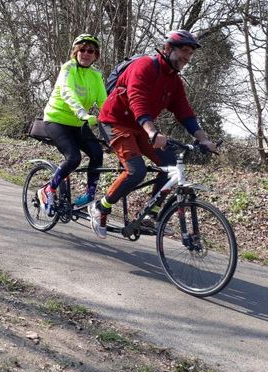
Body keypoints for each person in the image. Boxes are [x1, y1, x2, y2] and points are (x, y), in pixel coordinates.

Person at [88, 29, 218, 239]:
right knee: (136, 171)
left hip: (141, 127)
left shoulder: (174, 81)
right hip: (114, 121)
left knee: (170, 166)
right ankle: (101, 207)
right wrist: (152, 131)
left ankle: (151, 216)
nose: (187, 57)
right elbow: (136, 99)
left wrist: (203, 139)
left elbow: (185, 112)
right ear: (167, 48)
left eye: (190, 54)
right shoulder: (145, 66)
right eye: (184, 51)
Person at [36, 33, 107, 216]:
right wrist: (83, 113)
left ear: (95, 55)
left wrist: (115, 122)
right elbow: (67, 92)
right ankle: (48, 190)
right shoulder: (67, 69)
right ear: (75, 52)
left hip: (78, 123)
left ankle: (89, 194)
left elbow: (104, 102)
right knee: (73, 157)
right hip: (56, 120)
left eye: (90, 51)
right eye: (82, 50)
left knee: (97, 153)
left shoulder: (95, 75)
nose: (86, 53)